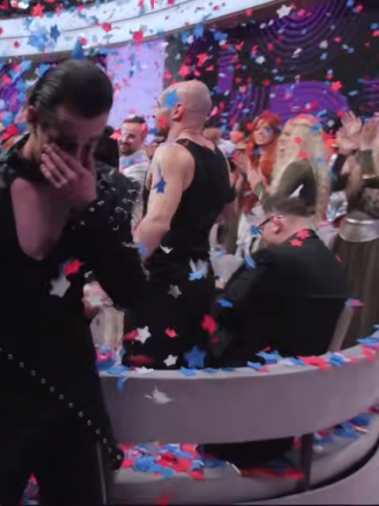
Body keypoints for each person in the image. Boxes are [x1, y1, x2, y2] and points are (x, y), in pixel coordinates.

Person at [0, 60, 145, 506]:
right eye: (66, 143)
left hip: (69, 382)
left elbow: (131, 291)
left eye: (93, 144)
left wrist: (89, 208)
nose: (80, 160)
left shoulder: (102, 188)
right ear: (32, 116)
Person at [207, 195, 347, 466]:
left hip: (248, 396)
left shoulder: (271, 260)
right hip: (295, 396)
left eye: (261, 227)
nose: (261, 234)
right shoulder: (333, 263)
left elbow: (226, 309)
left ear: (276, 223)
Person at [123, 80, 235, 370]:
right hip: (200, 280)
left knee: (148, 381)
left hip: (163, 285)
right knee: (188, 378)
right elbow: (228, 212)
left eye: (160, 105)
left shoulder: (171, 152)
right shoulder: (219, 156)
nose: (154, 113)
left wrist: (123, 270)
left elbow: (157, 221)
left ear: (177, 111)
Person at [334, 113, 379, 348]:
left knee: (365, 303)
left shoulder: (368, 155)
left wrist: (365, 150)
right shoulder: (363, 156)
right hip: (346, 238)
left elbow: (375, 202)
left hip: (373, 245)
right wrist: (347, 151)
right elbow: (334, 186)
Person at [245, 115, 331, 222]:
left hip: (295, 227)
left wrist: (258, 186)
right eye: (283, 133)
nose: (281, 138)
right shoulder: (310, 165)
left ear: (302, 139)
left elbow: (273, 207)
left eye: (288, 134)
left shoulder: (298, 167)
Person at [234, 111, 282, 256]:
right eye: (257, 129)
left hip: (266, 214)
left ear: (275, 133)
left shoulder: (279, 161)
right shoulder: (251, 157)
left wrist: (252, 174)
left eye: (267, 129)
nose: (260, 133)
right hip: (247, 213)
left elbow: (272, 194)